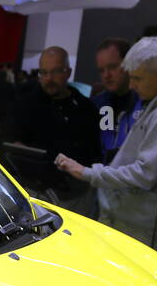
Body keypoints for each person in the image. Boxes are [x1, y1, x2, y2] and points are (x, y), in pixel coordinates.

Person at [54, 36, 157, 245]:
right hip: (131, 219)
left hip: (143, 227)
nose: (133, 86)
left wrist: (87, 173)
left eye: (138, 79)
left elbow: (145, 174)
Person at [13, 46, 100, 208]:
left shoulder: (85, 107)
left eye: (55, 72)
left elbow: (94, 149)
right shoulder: (26, 104)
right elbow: (14, 143)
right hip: (35, 192)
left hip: (76, 194)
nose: (48, 78)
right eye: (43, 73)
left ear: (68, 72)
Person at [91, 37, 143, 164]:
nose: (106, 75)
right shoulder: (100, 104)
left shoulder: (145, 103)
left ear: (129, 64)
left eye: (112, 67)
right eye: (101, 70)